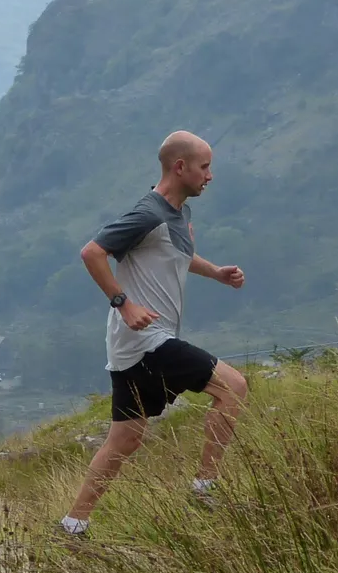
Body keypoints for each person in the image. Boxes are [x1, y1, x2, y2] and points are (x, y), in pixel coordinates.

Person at [60, 130, 249, 536]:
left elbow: (176, 254)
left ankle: (72, 526)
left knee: (125, 440)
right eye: (204, 167)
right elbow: (92, 253)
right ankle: (204, 490)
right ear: (180, 167)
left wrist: (215, 272)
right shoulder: (148, 213)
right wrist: (123, 302)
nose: (210, 176)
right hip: (148, 341)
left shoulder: (178, 215)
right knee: (232, 388)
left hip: (130, 348)